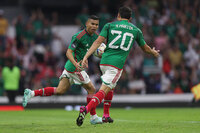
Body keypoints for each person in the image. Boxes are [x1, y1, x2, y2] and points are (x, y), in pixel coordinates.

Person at [76, 6, 160, 126]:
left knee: (111, 87)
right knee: (104, 90)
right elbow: (145, 48)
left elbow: (97, 42)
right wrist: (153, 52)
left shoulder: (109, 25)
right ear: (130, 18)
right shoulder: (136, 30)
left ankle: (105, 115)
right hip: (116, 65)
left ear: (118, 16)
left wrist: (85, 57)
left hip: (104, 62)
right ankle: (86, 109)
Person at [22, 15, 113, 125]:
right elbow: (68, 52)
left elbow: (93, 51)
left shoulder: (95, 37)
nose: (94, 26)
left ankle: (31, 93)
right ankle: (93, 117)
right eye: (92, 24)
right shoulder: (79, 36)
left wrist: (92, 57)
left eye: (96, 24)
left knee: (60, 90)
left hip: (71, 67)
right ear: (87, 24)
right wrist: (76, 63)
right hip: (74, 67)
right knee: (91, 89)